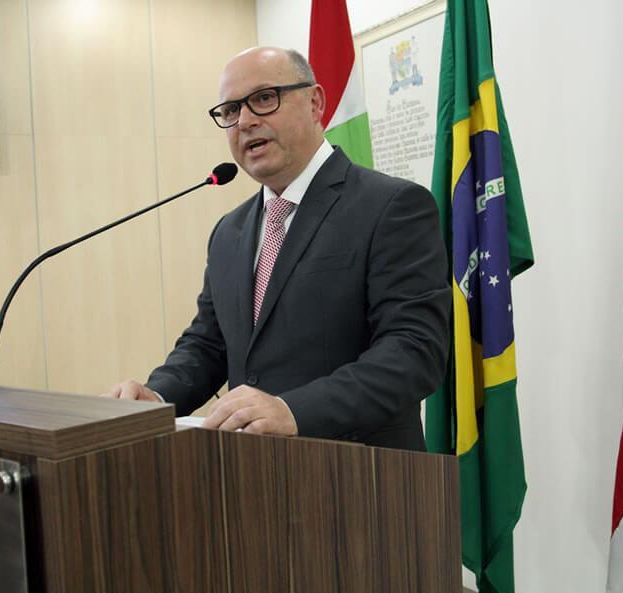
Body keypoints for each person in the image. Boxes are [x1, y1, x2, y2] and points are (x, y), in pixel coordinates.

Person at [110, 47, 450, 450]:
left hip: (362, 473)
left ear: (315, 103)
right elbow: (208, 344)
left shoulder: (391, 206)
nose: (245, 121)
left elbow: (413, 351)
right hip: (252, 470)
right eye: (231, 110)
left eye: (264, 98)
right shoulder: (229, 231)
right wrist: (157, 396)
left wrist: (294, 410)